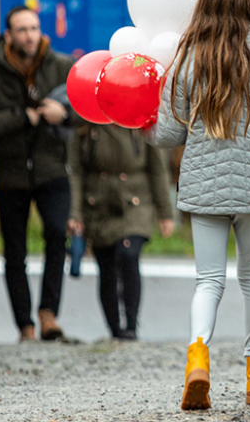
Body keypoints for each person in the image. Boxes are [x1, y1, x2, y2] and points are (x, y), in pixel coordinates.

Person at [146, 0, 250, 411]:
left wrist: (143, 126)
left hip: (203, 187)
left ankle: (198, 359)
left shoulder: (187, 56)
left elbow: (170, 133)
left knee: (208, 280)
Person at [0, 6, 76, 343]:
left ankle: (48, 315)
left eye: (34, 28)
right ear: (8, 35)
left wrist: (64, 114)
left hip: (53, 170)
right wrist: (21, 117)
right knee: (15, 252)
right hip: (10, 174)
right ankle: (24, 326)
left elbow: (90, 110)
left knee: (57, 237)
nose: (30, 35)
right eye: (22, 29)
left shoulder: (61, 65)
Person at [67, 123, 175, 340]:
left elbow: (157, 169)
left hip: (136, 205)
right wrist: (75, 213)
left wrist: (165, 213)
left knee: (128, 254)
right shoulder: (85, 126)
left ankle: (131, 326)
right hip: (97, 206)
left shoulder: (142, 123)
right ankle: (115, 329)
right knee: (106, 268)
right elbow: (76, 173)